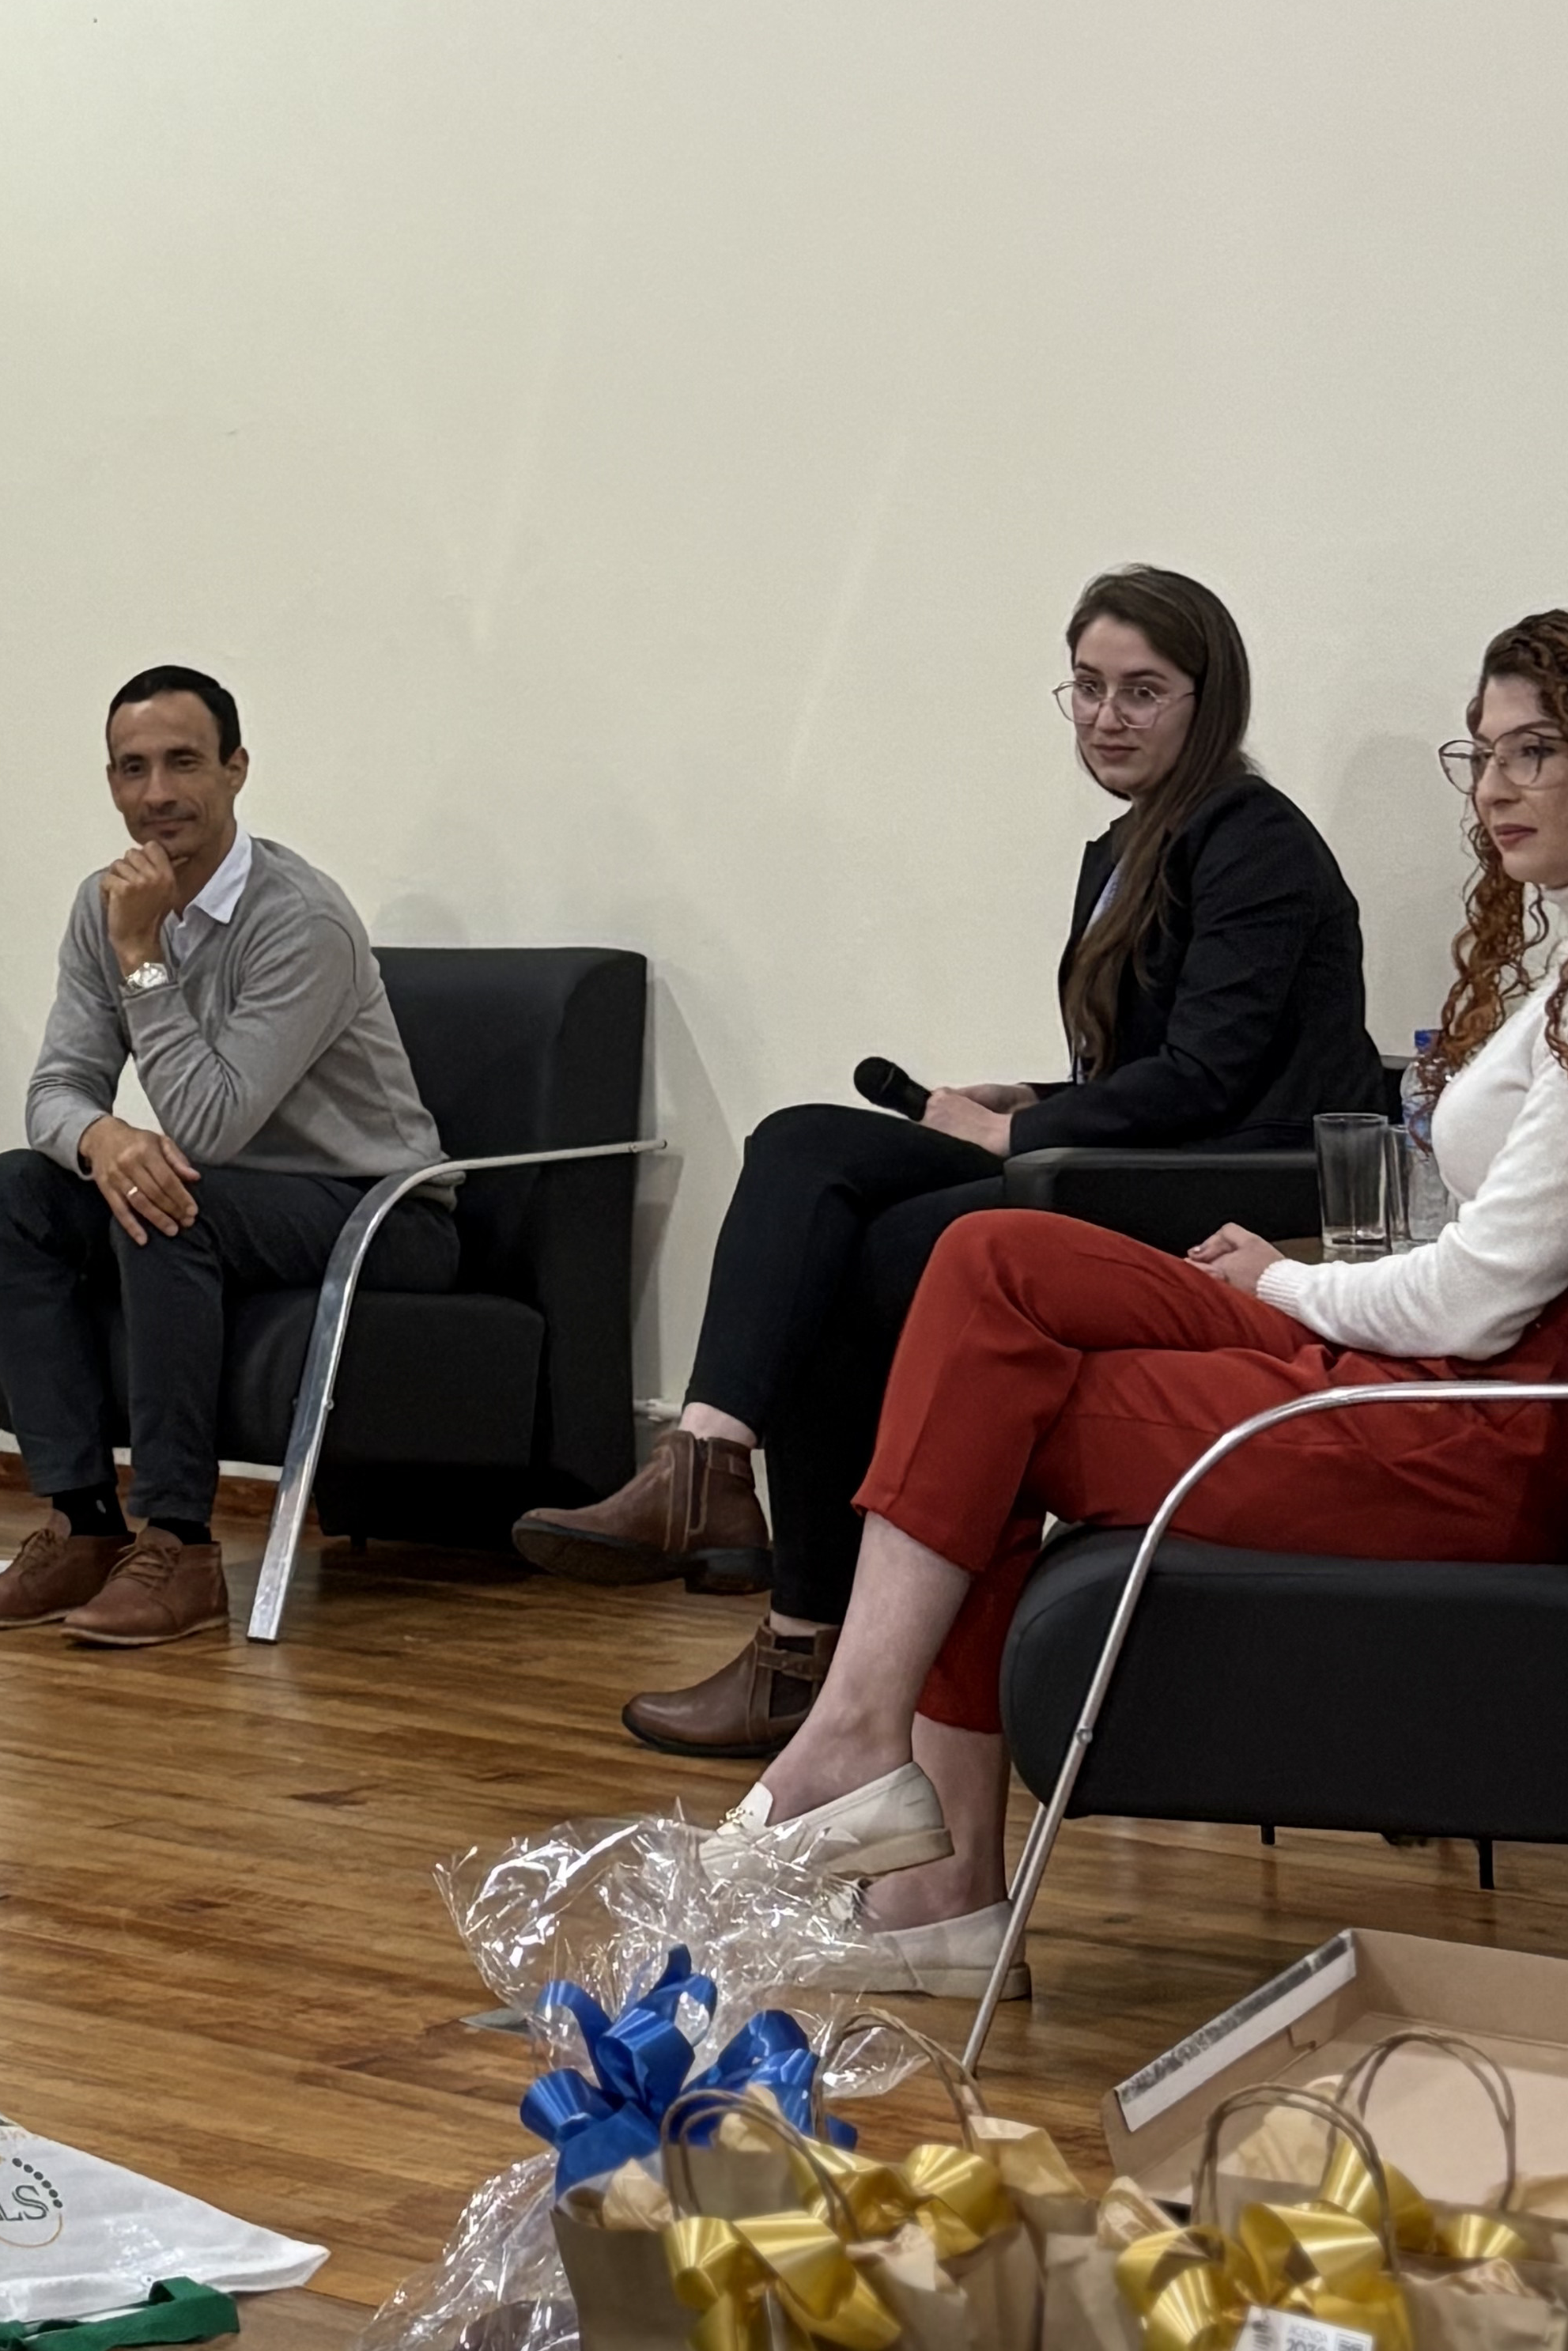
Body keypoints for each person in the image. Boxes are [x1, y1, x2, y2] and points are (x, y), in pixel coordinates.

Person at [720, 607, 1568, 1998]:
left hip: (1480, 1431)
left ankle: (914, 1849)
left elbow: (1479, 1297)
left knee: (995, 1404)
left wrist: (1288, 1280)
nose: (1495, 787)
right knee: (991, 1261)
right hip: (1428, 1372)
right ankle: (867, 1758)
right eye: (1482, 753)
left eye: (1536, 751)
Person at [514, 567, 1378, 1764]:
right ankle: (705, 1462)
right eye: (1086, 688)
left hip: (1231, 1186)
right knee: (802, 1144)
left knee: (876, 1258)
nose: (1106, 718)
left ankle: (801, 1651)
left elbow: (1210, 1077)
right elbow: (1162, 1067)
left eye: (1142, 691)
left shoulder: (1253, 839)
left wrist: (1023, 1136)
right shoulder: (1131, 845)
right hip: (1144, 1155)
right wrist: (1040, 1100)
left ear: (1208, 700)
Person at [0, 667, 452, 1654]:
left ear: (236, 770)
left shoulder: (299, 918)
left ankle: (178, 1543)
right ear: (110, 782)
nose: (158, 792)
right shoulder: (104, 906)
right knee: (7, 1192)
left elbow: (209, 1124)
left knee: (168, 1199)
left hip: (378, 1210)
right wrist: (100, 1137)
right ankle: (84, 1527)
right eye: (133, 769)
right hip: (232, 1197)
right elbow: (56, 1090)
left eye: (183, 763)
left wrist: (142, 956)